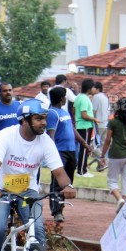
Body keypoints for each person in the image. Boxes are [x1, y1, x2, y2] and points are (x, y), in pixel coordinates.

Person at [0, 100, 76, 251]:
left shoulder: (46, 141)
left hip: (27, 191)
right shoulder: (6, 136)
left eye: (44, 119)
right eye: (38, 118)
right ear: (24, 121)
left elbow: (59, 172)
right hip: (0, 190)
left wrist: (68, 186)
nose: (43, 123)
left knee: (37, 232)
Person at [45, 86, 87, 222]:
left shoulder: (64, 112)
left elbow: (72, 129)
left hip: (71, 151)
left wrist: (83, 143)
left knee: (67, 182)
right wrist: (52, 153)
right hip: (60, 151)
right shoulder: (52, 113)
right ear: (62, 98)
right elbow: (50, 135)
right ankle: (56, 211)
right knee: (57, 182)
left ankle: (61, 208)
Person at [98, 98, 126, 212]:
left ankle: (120, 200)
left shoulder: (113, 122)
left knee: (112, 180)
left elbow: (107, 140)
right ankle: (125, 207)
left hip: (116, 154)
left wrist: (102, 156)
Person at [74, 79, 96, 177]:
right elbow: (84, 115)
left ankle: (82, 169)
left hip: (80, 125)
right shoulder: (84, 99)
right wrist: (94, 119)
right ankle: (81, 171)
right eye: (93, 87)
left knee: (83, 148)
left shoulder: (78, 97)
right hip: (85, 126)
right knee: (84, 148)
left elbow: (73, 111)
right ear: (89, 88)